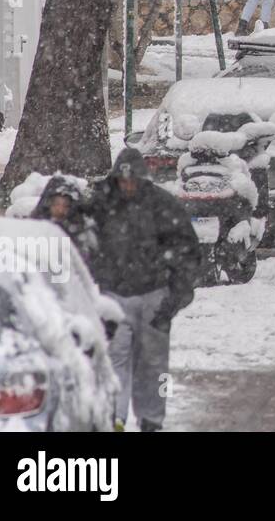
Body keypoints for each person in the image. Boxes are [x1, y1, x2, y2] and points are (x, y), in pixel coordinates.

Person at [85, 147, 201, 433]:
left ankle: (153, 420)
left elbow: (186, 250)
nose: (127, 187)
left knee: (155, 364)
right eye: (123, 181)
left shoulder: (162, 205)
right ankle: (114, 416)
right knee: (114, 359)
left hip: (154, 296)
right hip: (113, 296)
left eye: (132, 181)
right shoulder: (101, 205)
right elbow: (81, 243)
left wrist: (175, 297)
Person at [31, 174, 100, 263]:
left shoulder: (83, 234)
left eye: (66, 205)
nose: (60, 210)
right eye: (56, 204)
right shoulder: (35, 227)